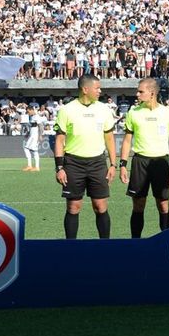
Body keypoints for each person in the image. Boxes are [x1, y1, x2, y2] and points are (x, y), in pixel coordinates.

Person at [54, 75, 117, 239]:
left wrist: (113, 164)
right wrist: (59, 168)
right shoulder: (66, 110)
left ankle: (105, 246)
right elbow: (60, 141)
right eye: (97, 88)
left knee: (100, 206)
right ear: (85, 89)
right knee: (74, 207)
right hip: (73, 163)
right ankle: (71, 247)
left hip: (98, 162)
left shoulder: (104, 109)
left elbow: (109, 138)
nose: (100, 91)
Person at [119, 78, 169, 238]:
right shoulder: (133, 113)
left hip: (160, 162)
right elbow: (127, 140)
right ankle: (135, 243)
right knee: (138, 205)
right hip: (140, 162)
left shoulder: (168, 113)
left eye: (141, 91)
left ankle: (168, 242)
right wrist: (123, 164)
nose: (137, 94)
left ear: (152, 93)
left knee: (163, 205)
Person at [22, 105, 44, 171]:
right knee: (30, 149)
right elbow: (32, 127)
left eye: (28, 111)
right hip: (32, 136)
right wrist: (28, 133)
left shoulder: (37, 116)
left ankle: (34, 167)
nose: (28, 113)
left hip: (35, 136)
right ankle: (31, 166)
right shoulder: (32, 117)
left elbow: (41, 126)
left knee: (30, 149)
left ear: (31, 110)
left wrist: (40, 135)